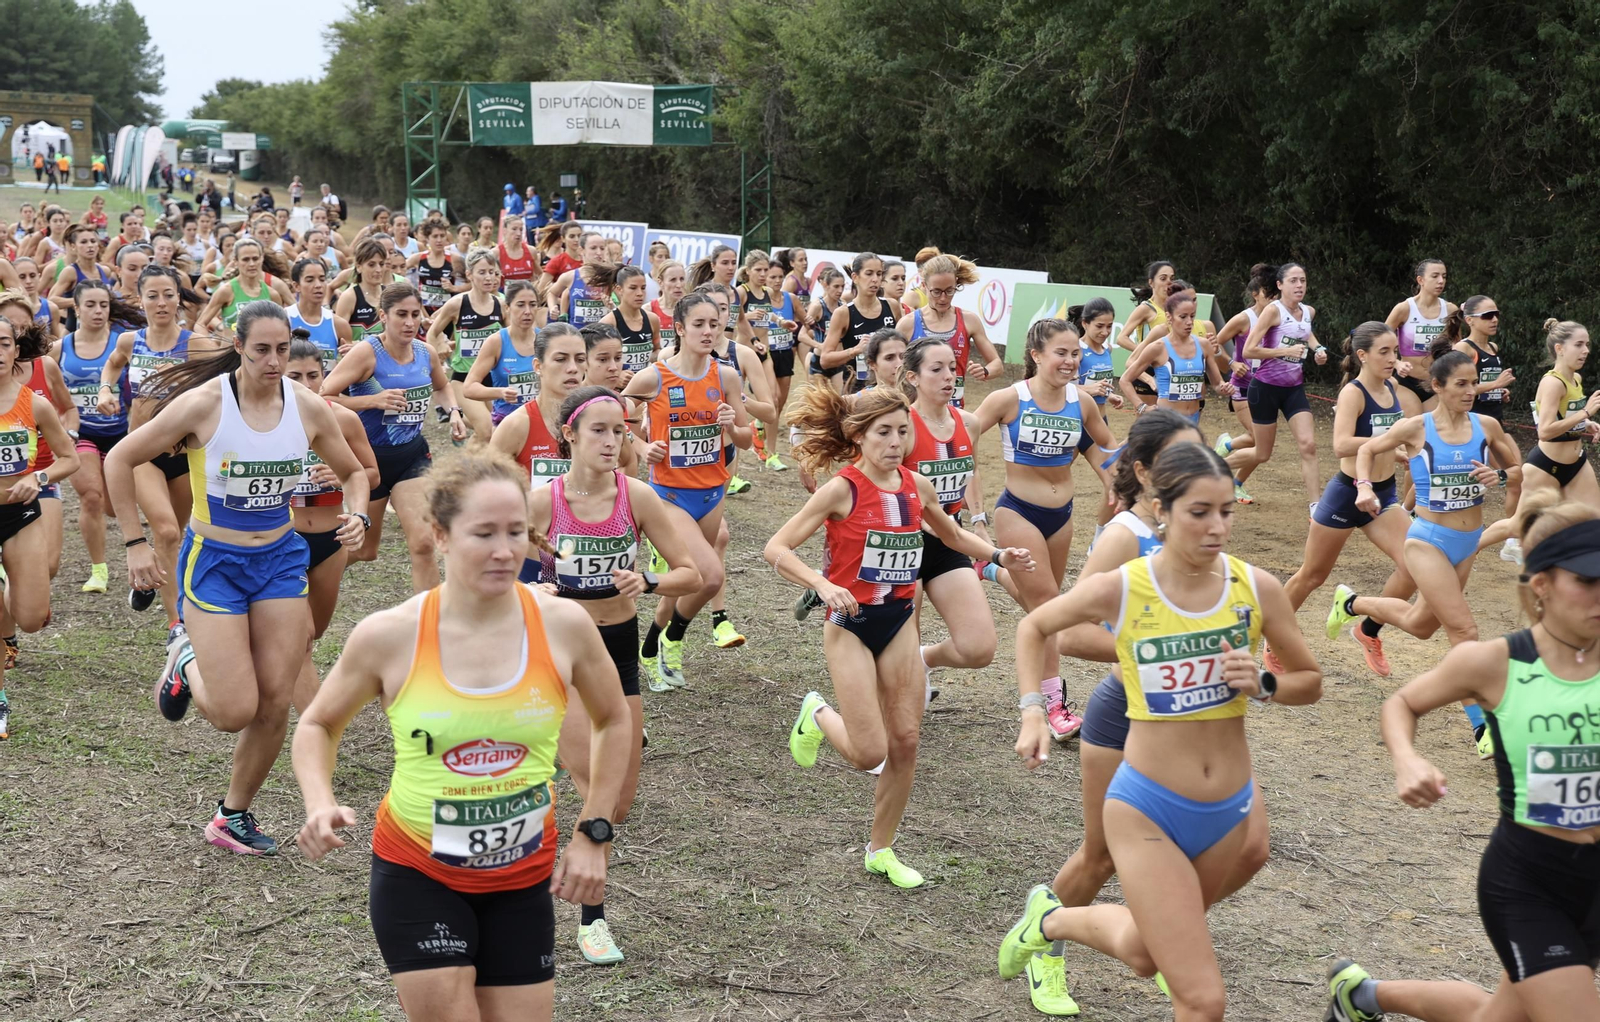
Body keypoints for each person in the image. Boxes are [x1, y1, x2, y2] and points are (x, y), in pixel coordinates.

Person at [292, 448, 630, 1021]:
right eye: (483, 533)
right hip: (418, 873)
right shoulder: (389, 635)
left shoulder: (563, 625)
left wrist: (593, 832)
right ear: (440, 536)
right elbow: (318, 723)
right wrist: (319, 801)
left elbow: (613, 718)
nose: (504, 551)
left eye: (517, 532)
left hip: (523, 878)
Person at [999, 442, 1321, 1022]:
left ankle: (1050, 920)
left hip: (1228, 808)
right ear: (1162, 511)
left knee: (1146, 955)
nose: (1217, 526)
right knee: (1202, 1000)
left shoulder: (1258, 588)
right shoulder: (1126, 586)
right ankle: (1053, 921)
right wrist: (1032, 710)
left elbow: (1309, 680)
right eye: (1200, 512)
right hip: (1147, 806)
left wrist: (1265, 684)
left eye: (1226, 511)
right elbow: (1037, 626)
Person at [103, 301, 370, 854]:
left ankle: (231, 816)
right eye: (261, 351)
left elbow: (354, 473)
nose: (274, 362)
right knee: (231, 712)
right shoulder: (204, 404)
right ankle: (184, 657)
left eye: (281, 350)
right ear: (239, 347)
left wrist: (359, 514)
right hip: (215, 563)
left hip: (279, 561)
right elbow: (120, 459)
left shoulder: (307, 408)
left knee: (276, 700)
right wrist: (134, 543)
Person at [1326, 493, 1600, 1022]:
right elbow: (1402, 704)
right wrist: (1408, 760)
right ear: (1541, 584)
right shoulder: (1494, 662)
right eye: (1585, 581)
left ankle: (1360, 995)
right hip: (1531, 883)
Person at [770, 385, 1032, 888]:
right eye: (883, 432)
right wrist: (822, 585)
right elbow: (776, 548)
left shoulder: (916, 486)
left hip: (896, 622)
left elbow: (952, 537)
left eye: (902, 431)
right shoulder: (841, 489)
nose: (896, 441)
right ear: (859, 437)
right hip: (849, 626)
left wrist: (997, 556)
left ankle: (881, 849)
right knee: (869, 752)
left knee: (906, 741)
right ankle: (817, 712)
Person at [529, 386, 700, 963]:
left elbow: (691, 572)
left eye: (620, 430)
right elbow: (480, 568)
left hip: (619, 649)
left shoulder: (639, 497)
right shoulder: (540, 502)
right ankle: (591, 920)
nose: (612, 440)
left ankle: (536, 793)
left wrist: (648, 583)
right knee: (593, 786)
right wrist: (531, 588)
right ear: (569, 436)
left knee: (619, 800)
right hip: (562, 653)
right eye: (598, 430)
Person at [1330, 350, 1523, 756]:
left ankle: (1351, 603)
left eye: (1474, 383)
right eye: (1462, 384)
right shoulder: (1416, 427)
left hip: (1468, 543)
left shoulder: (1486, 426)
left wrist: (1501, 474)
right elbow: (1365, 451)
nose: (1471, 391)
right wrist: (1364, 487)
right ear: (1437, 386)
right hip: (1427, 539)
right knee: (1464, 632)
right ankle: (1482, 728)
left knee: (1421, 625)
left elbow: (1522, 466)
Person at [972, 317, 1116, 740]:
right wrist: (976, 512)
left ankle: (993, 571)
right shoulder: (1008, 399)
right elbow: (960, 441)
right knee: (1052, 611)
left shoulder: (1082, 402)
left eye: (1076, 354)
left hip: (1062, 516)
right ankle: (1052, 705)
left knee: (1043, 607)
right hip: (1017, 512)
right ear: (1036, 355)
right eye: (1062, 353)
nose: (1071, 361)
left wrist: (1121, 482)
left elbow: (1108, 453)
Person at [1273, 323, 1416, 678]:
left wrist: (1399, 451)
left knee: (1415, 564)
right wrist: (1387, 442)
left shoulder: (1393, 388)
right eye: (1383, 352)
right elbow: (1340, 444)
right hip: (1347, 492)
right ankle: (1275, 639)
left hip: (1383, 494)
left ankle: (1367, 630)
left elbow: (1383, 437)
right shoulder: (1353, 393)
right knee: (1312, 575)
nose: (1391, 358)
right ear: (1362, 355)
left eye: (1394, 351)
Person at [622, 293, 747, 689]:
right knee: (707, 576)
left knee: (683, 579)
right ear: (679, 328)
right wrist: (644, 447)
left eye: (714, 324)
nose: (709, 331)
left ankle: (649, 645)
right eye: (699, 324)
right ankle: (673, 639)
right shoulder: (654, 377)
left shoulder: (725, 376)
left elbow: (746, 439)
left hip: (713, 492)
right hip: (669, 496)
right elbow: (619, 420)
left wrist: (731, 425)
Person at [96, 266, 221, 628]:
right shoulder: (129, 341)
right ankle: (177, 624)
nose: (161, 302)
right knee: (165, 531)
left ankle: (152, 571)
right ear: (141, 299)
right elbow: (113, 365)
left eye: (169, 294)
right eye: (153, 295)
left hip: (183, 457)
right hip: (142, 454)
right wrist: (106, 389)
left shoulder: (197, 345)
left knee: (174, 537)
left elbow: (224, 389)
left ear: (179, 299)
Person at [323, 282, 466, 593]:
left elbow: (442, 386)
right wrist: (371, 401)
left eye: (416, 314)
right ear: (383, 316)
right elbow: (324, 396)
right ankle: (312, 571)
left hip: (411, 457)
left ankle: (429, 625)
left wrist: (454, 411)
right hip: (368, 461)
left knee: (425, 543)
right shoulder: (366, 353)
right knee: (365, 551)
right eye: (401, 314)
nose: (410, 322)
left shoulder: (425, 352)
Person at [897, 337, 1007, 698]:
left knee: (979, 647)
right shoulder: (902, 426)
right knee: (897, 657)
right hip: (901, 545)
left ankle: (923, 659)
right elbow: (878, 487)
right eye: (937, 369)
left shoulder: (969, 422)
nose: (949, 377)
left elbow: (970, 472)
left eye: (952, 368)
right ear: (912, 377)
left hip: (948, 540)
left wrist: (978, 520)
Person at [282, 334, 379, 716]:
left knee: (315, 633)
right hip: (283, 540)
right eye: (295, 376)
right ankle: (318, 734)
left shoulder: (342, 419)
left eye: (313, 376)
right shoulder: (264, 423)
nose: (305, 385)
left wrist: (341, 478)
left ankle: (276, 668)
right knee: (301, 639)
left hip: (330, 541)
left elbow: (370, 473)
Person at [0, 314, 79, 737]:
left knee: (30, 618)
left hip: (20, 512)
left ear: (16, 350)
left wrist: (39, 477)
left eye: (3, 343)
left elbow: (70, 458)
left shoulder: (35, 403)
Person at [53, 279, 140, 594]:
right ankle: (99, 570)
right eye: (90, 304)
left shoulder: (124, 342)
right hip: (82, 434)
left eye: (103, 305)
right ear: (76, 308)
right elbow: (48, 393)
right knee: (91, 496)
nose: (98, 311)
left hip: (122, 434)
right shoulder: (60, 348)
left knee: (115, 506)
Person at [1225, 262, 1330, 512]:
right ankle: (1212, 466)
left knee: (1309, 445)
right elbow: (1250, 350)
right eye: (1293, 280)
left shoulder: (1308, 311)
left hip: (1293, 389)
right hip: (1264, 389)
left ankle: (1316, 505)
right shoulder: (1272, 311)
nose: (1299, 285)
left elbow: (1306, 333)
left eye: (1302, 280)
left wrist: (1318, 349)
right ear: (1280, 285)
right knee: (1262, 454)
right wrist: (1284, 351)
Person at [896, 253, 1002, 409]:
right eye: (936, 292)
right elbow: (893, 368)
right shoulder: (908, 324)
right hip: (915, 411)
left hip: (954, 410)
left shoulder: (969, 320)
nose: (943, 298)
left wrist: (985, 371)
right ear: (924, 286)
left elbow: (997, 364)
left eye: (949, 291)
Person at [1209, 265, 1275, 501]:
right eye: (1268, 292)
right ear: (1255, 293)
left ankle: (1236, 480)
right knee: (1259, 441)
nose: (1274, 298)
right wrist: (1232, 362)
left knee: (1262, 444)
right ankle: (1226, 455)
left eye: (1275, 293)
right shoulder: (1243, 319)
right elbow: (1213, 346)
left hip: (1267, 387)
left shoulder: (1279, 318)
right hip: (1243, 385)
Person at [426, 248, 505, 440]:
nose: (489, 278)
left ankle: (468, 465)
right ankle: (460, 416)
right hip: (464, 379)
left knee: (494, 432)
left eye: (492, 272)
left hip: (492, 379)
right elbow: (432, 334)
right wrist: (440, 353)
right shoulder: (458, 304)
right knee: (487, 429)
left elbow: (509, 338)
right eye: (482, 272)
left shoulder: (500, 304)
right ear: (469, 274)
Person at [1117, 290, 1231, 422]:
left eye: (1192, 316)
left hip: (1193, 417)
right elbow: (1124, 380)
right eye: (1183, 317)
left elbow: (1217, 384)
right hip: (1166, 420)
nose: (1189, 322)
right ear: (1169, 317)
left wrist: (1224, 387)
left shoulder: (1204, 345)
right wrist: (1141, 407)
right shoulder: (1158, 347)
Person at [817, 253, 901, 395]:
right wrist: (855, 350)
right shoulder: (843, 313)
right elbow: (825, 359)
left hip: (891, 389)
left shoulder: (892, 306)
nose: (875, 279)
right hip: (857, 390)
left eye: (879, 274)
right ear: (855, 277)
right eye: (869, 274)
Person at [465, 280, 544, 426]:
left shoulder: (545, 340)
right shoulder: (496, 342)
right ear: (507, 307)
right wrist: (500, 392)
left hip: (541, 421)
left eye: (532, 305)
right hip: (507, 423)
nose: (527, 311)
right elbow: (469, 388)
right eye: (520, 305)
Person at [1384, 258, 1456, 411]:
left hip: (1438, 381)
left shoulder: (1450, 310)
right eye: (1435, 276)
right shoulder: (1403, 309)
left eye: (1444, 276)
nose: (1441, 281)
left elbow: (1458, 346)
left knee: (1433, 432)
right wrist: (1397, 364)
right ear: (1420, 280)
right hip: (1407, 382)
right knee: (1414, 430)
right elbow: (1380, 342)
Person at [1112, 260, 1177, 407]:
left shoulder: (1175, 309)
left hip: (1170, 369)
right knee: (1149, 421)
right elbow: (1121, 338)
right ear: (1151, 283)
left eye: (1172, 279)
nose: (1168, 282)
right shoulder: (1146, 308)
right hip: (1148, 370)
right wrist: (1145, 353)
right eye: (1163, 278)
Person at [285, 257, 353, 374]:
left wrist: (351, 355)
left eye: (322, 279)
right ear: (296, 286)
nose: (318, 285)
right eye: (310, 280)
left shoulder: (339, 325)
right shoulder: (284, 319)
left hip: (327, 390)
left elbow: (350, 370)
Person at [599, 264, 661, 380]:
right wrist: (617, 376)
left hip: (644, 386)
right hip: (618, 390)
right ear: (619, 289)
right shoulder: (609, 323)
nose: (639, 293)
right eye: (633, 288)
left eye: (643, 288)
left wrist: (655, 360)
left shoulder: (652, 320)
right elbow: (597, 362)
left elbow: (657, 349)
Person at [546, 233, 613, 326]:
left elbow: (624, 302)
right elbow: (552, 293)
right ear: (581, 250)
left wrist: (614, 307)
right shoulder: (570, 276)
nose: (599, 252)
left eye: (602, 248)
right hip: (578, 335)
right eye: (593, 248)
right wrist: (552, 307)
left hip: (603, 335)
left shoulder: (611, 276)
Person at [496, 216, 535, 284]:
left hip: (527, 293)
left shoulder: (531, 251)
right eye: (514, 229)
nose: (518, 233)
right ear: (504, 230)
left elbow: (539, 275)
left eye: (521, 229)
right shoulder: (496, 253)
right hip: (504, 293)